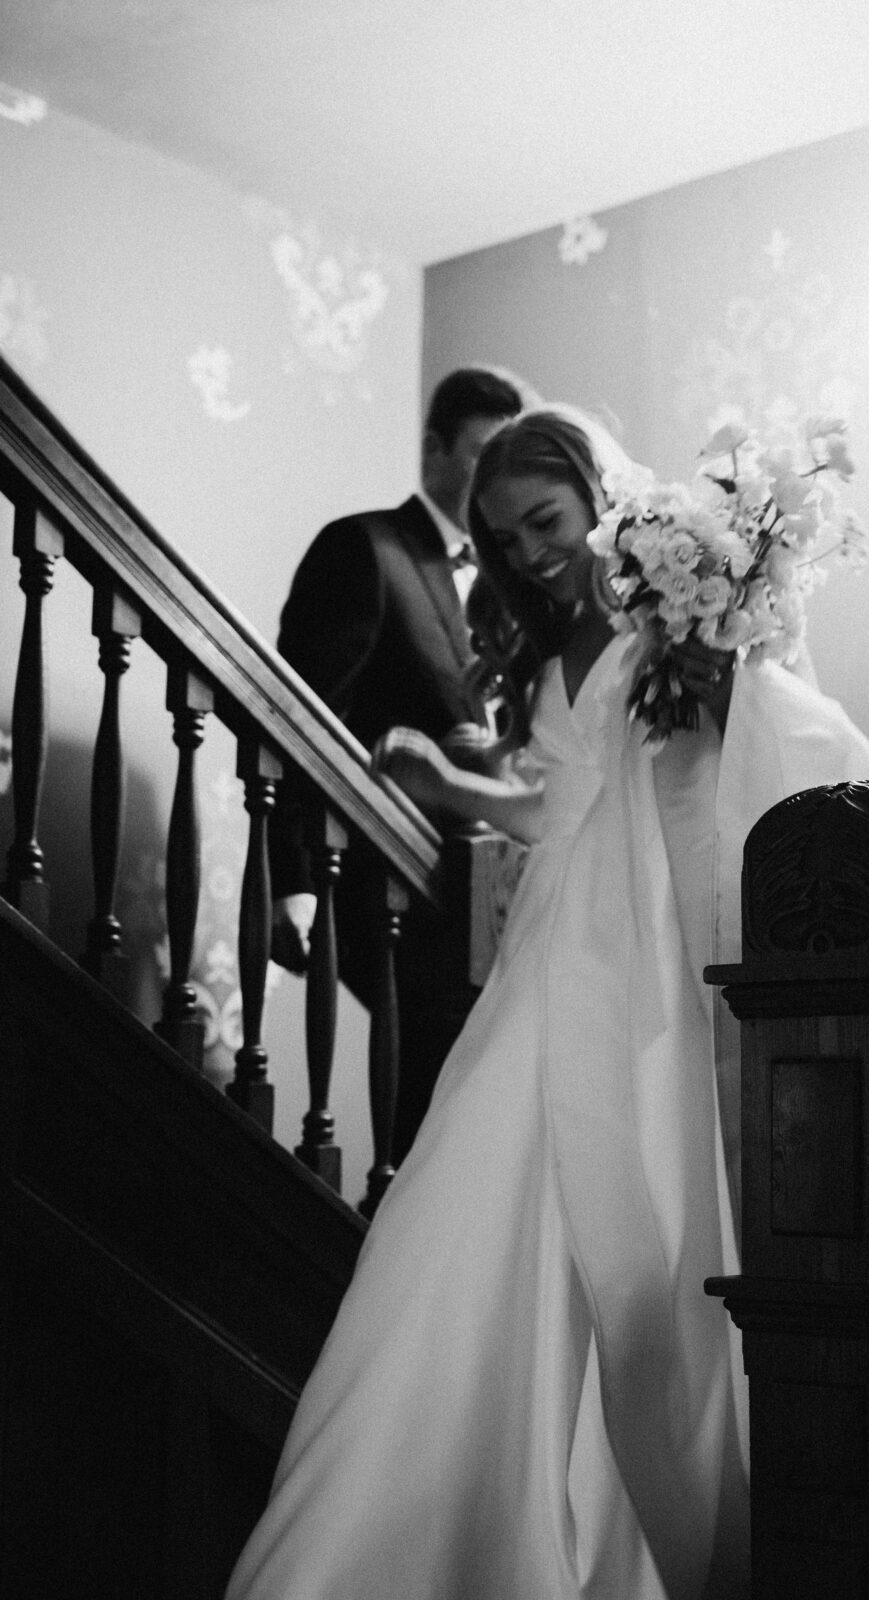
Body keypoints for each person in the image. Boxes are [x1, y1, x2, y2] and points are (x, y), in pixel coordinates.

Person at [229, 408, 869, 1600]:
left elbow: (726, 763)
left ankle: (639, 1525)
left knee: (649, 1211)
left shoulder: (673, 625)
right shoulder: (543, 664)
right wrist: (449, 785)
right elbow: (558, 809)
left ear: (595, 494)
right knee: (468, 1209)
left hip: (648, 949)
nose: (530, 554)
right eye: (501, 538)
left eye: (543, 521)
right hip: (550, 958)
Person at [269, 365, 531, 1164]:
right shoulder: (365, 548)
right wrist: (292, 881)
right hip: (394, 887)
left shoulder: (514, 577)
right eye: (482, 454)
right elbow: (300, 721)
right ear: (432, 448)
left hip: (492, 888)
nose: (496, 479)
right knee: (433, 1104)